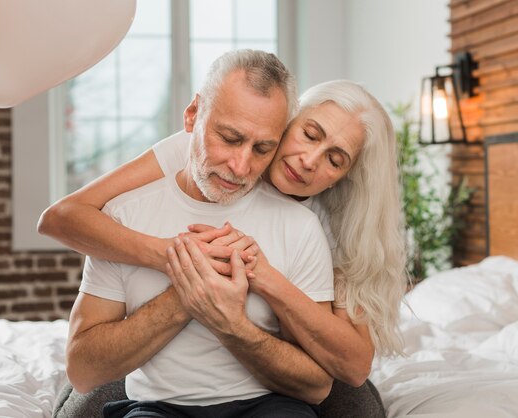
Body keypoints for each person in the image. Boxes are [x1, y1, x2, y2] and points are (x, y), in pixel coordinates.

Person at [39, 54, 407, 414]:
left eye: (335, 159)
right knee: (88, 402)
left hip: (285, 370)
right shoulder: (190, 150)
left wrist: (261, 279)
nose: (310, 160)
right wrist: (179, 260)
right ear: (287, 124)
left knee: (352, 406)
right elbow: (62, 217)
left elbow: (353, 366)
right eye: (309, 135)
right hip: (162, 376)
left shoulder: (330, 223)